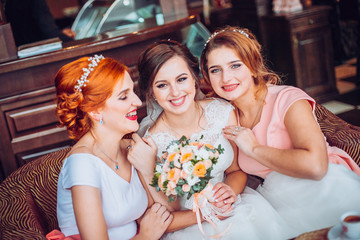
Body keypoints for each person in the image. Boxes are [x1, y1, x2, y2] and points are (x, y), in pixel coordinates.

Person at [200, 26, 360, 237]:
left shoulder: (287, 99)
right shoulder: (227, 115)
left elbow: (316, 167)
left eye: (235, 65)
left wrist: (255, 149)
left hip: (323, 186)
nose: (226, 77)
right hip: (276, 201)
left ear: (253, 66)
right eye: (215, 70)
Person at [127, 40, 293, 239]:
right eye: (162, 85)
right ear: (151, 92)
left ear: (194, 79)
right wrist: (209, 213)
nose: (175, 92)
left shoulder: (222, 112)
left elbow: (235, 171)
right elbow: (163, 216)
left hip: (235, 210)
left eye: (181, 79)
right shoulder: (150, 144)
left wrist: (230, 191)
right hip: (191, 228)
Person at [49, 55, 173, 240]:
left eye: (133, 92)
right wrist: (145, 236)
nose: (138, 102)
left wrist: (148, 171)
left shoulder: (131, 147)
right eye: (124, 97)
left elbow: (168, 210)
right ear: (95, 110)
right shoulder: (82, 164)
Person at [4, 0, 76, 46]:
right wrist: (74, 42)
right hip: (39, 53)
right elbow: (49, 33)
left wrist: (61, 33)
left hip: (22, 53)